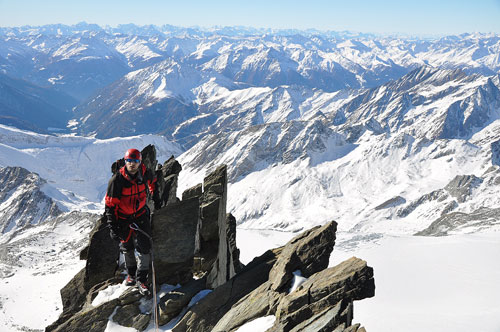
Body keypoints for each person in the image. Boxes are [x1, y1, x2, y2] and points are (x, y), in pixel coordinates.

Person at [105, 148, 161, 295]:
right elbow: (110, 205)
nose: (132, 164)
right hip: (123, 218)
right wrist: (113, 226)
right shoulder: (117, 181)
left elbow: (153, 183)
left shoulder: (144, 173)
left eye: (135, 161)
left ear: (140, 162)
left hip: (140, 215)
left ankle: (142, 279)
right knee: (127, 246)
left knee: (144, 245)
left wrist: (156, 197)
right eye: (129, 161)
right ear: (125, 161)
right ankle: (131, 274)